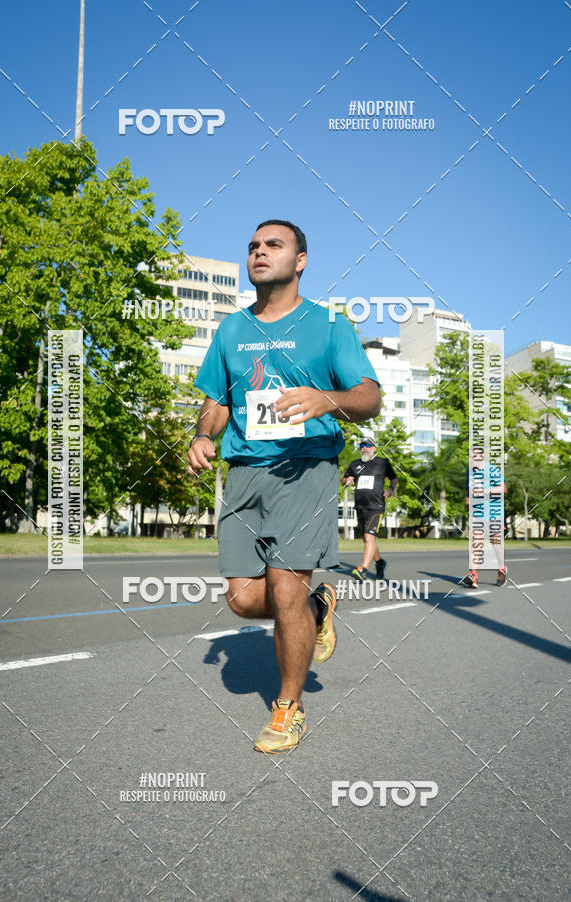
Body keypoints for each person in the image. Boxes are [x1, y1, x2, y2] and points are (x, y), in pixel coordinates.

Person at [187, 219, 381, 753]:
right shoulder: (232, 331)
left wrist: (327, 399)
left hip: (305, 467)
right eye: (252, 245)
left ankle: (287, 708)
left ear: (300, 261)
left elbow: (370, 396)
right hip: (245, 473)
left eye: (273, 245)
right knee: (246, 602)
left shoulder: (329, 325)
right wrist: (203, 436)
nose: (259, 252)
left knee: (286, 586)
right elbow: (218, 401)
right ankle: (318, 609)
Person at [341, 438, 397, 581]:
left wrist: (391, 488)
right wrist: (347, 480)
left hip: (376, 506)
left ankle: (363, 569)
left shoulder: (383, 463)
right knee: (367, 539)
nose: (364, 448)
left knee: (368, 537)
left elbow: (394, 478)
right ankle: (379, 563)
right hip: (360, 506)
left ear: (374, 448)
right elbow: (344, 479)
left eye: (367, 445)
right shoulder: (355, 464)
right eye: (362, 446)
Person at [461, 455, 508, 588]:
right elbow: (468, 493)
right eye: (471, 456)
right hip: (477, 515)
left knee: (496, 544)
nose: (472, 459)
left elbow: (504, 488)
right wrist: (468, 503)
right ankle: (473, 576)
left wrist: (484, 491)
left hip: (493, 514)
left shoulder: (492, 470)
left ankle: (501, 569)